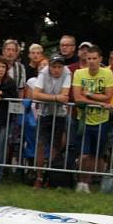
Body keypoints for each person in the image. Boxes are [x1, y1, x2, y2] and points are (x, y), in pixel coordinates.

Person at [72, 45, 113, 193]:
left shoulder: (107, 73)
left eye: (94, 58)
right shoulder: (79, 73)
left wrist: (88, 94)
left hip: (101, 120)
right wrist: (99, 103)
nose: (91, 61)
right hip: (83, 119)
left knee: (94, 155)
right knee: (83, 154)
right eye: (89, 58)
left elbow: (108, 96)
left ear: (100, 59)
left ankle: (86, 182)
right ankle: (80, 181)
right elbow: (77, 98)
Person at [30, 54, 71, 188]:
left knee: (56, 147)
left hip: (60, 114)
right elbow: (35, 94)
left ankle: (52, 177)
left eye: (59, 67)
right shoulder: (43, 72)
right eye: (54, 67)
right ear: (50, 67)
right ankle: (39, 176)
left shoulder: (67, 73)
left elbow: (64, 96)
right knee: (41, 145)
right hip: (44, 113)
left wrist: (48, 97)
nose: (57, 70)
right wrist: (55, 98)